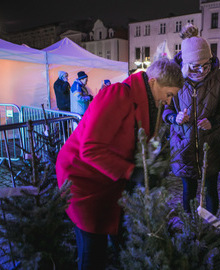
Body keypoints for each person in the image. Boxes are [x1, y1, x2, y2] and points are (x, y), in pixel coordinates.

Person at [56, 58, 184, 269]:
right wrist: (133, 172)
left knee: (115, 240)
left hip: (108, 182)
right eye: (168, 94)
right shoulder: (117, 95)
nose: (169, 102)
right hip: (83, 181)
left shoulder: (150, 105)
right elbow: (90, 149)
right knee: (92, 248)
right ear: (152, 82)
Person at [163, 24, 220, 215]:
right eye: (195, 67)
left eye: (206, 65)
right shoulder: (175, 78)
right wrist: (175, 118)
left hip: (211, 143)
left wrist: (215, 121)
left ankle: (211, 229)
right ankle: (189, 228)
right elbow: (165, 108)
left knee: (211, 189)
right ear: (185, 65)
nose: (202, 70)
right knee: (188, 191)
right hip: (184, 145)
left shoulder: (219, 77)